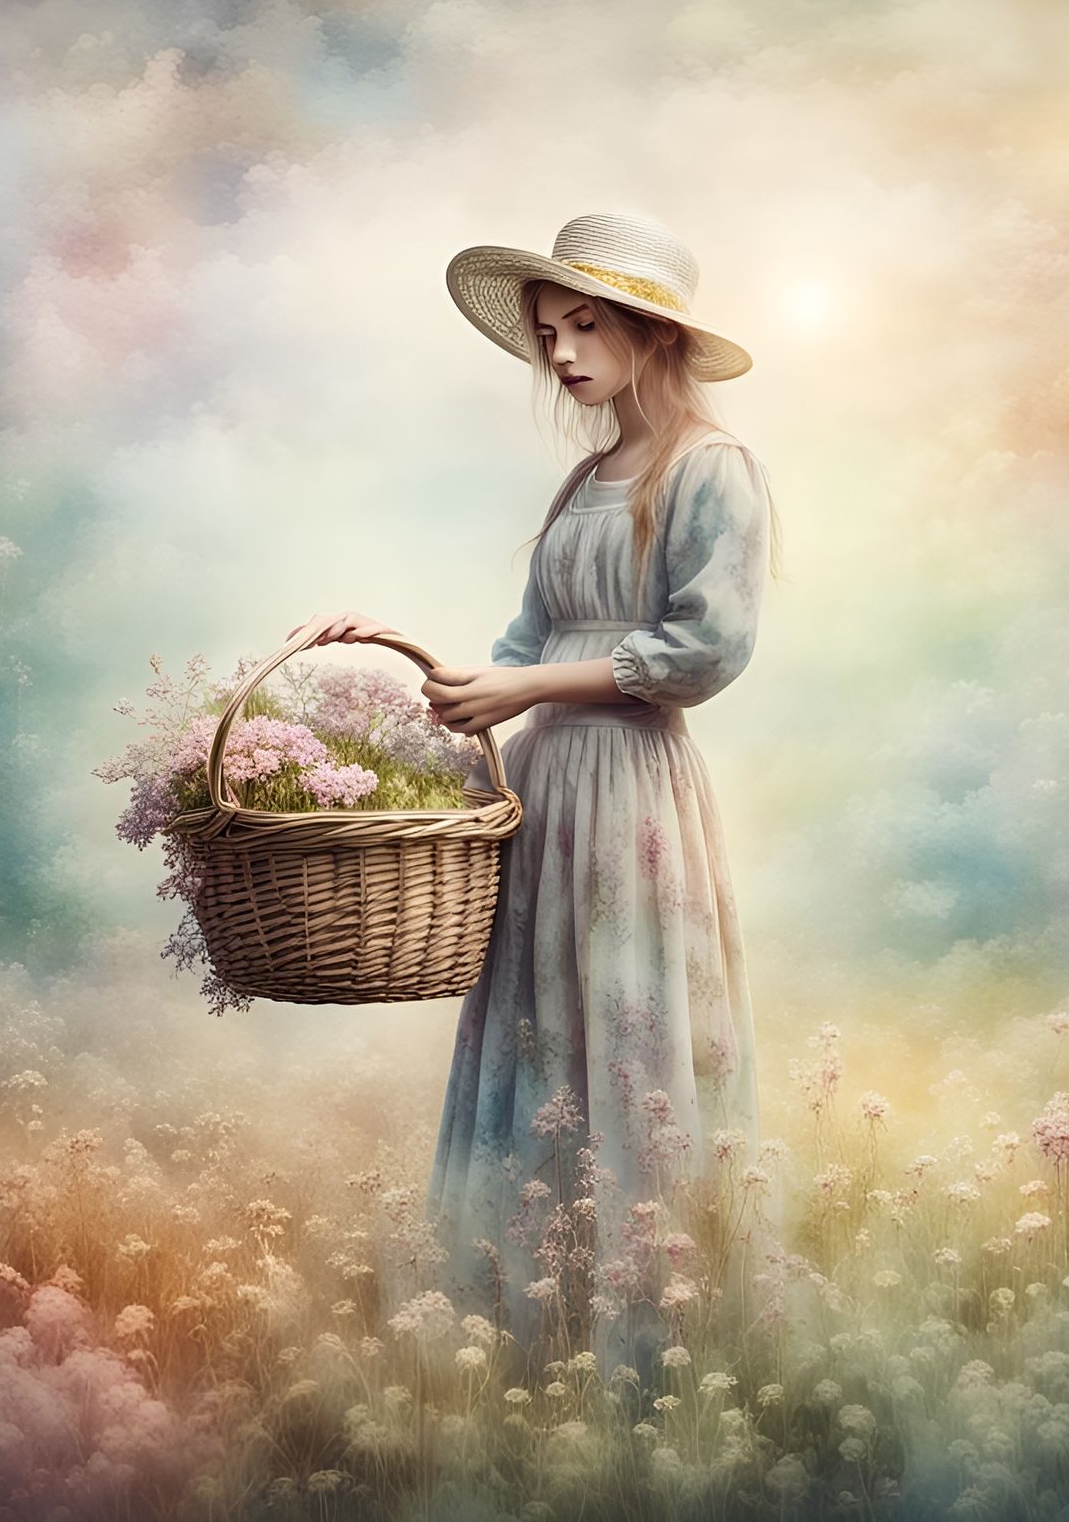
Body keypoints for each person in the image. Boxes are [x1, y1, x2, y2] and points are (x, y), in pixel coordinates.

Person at [303, 212, 783, 1379]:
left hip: (628, 782)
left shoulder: (710, 468)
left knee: (622, 1018)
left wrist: (527, 682)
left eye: (585, 326)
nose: (562, 354)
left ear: (648, 333)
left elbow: (701, 651)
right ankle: (531, 1317)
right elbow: (519, 647)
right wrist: (411, 658)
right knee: (539, 1019)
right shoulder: (585, 476)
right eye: (549, 332)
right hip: (549, 781)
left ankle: (651, 1324)